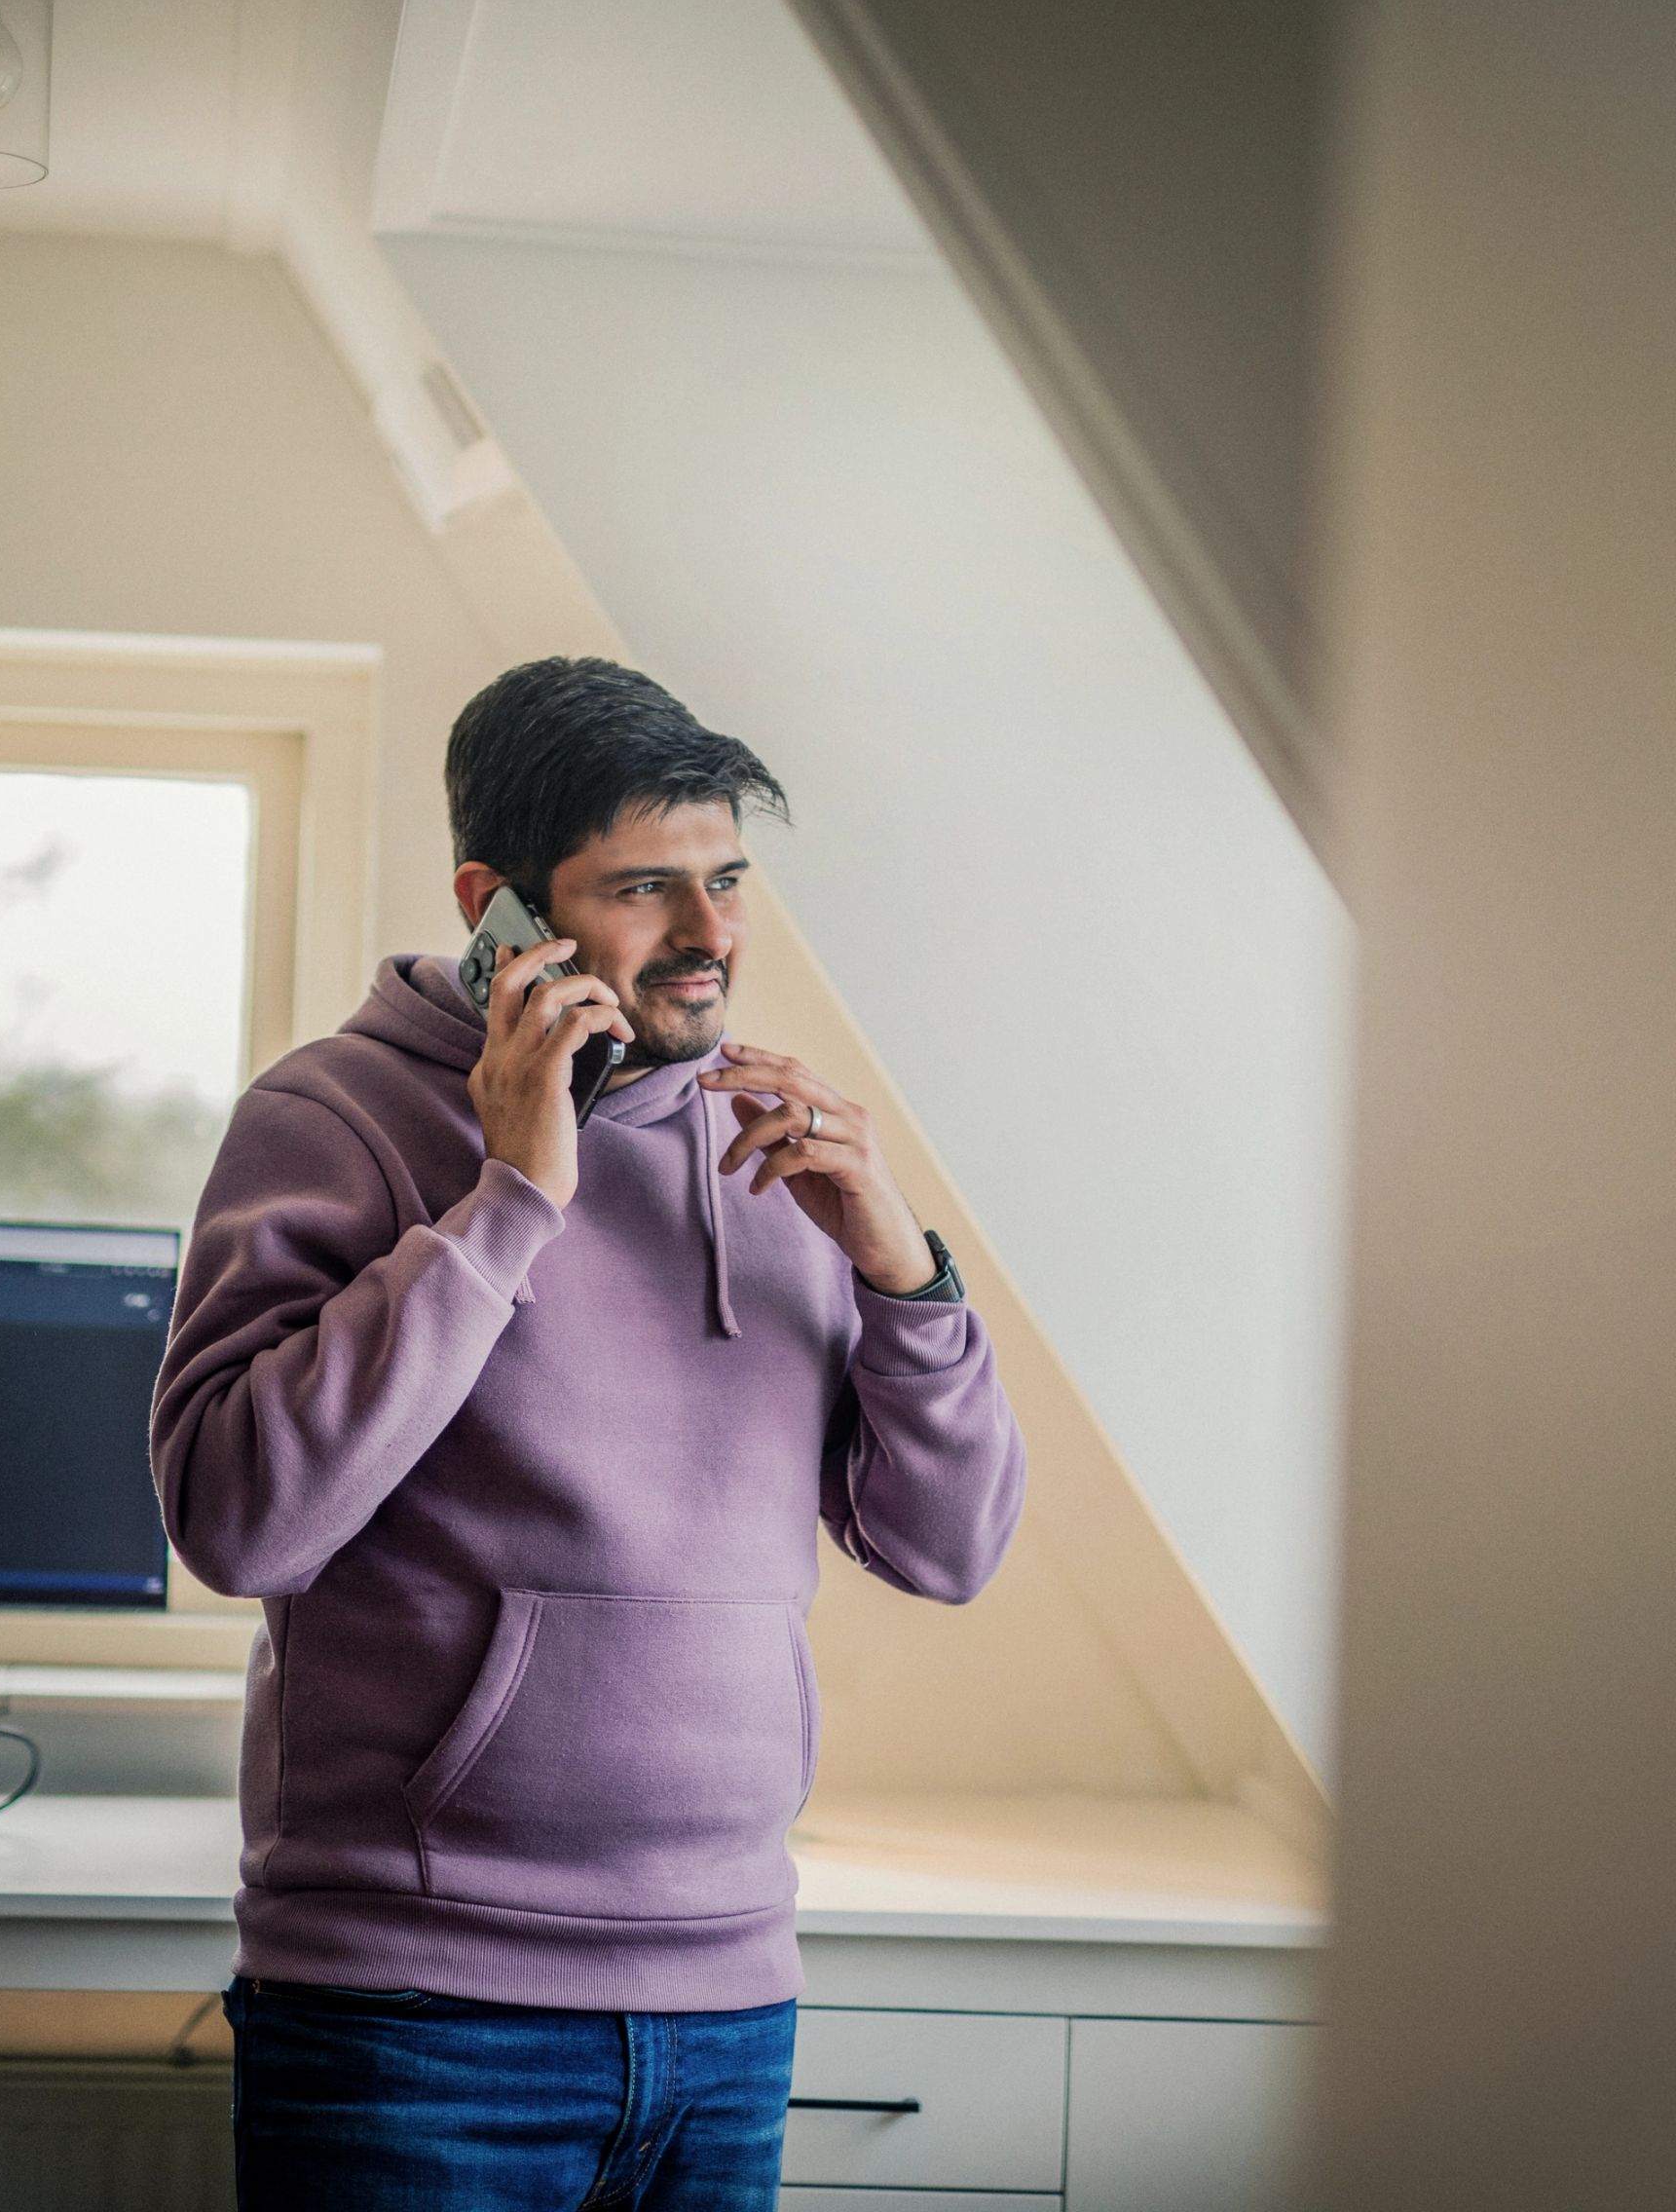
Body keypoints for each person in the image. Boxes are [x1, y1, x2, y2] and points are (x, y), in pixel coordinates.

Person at [154, 657, 1027, 2209]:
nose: (713, 938)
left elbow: (948, 1549)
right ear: (499, 906)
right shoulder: (331, 1119)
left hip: (728, 2005)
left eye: (730, 880)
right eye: (648, 890)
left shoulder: (774, 1148)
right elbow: (239, 1520)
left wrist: (901, 1265)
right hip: (411, 2020)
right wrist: (512, 1201)